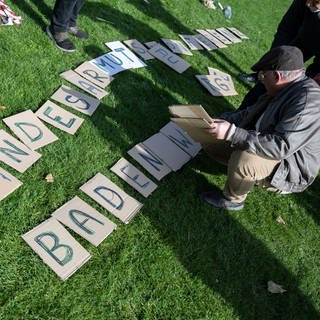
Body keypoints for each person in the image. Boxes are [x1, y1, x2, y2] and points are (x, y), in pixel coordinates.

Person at [199, 46, 320, 211]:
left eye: (263, 75)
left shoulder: (307, 102)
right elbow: (247, 114)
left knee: (245, 159)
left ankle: (233, 200)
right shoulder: (284, 88)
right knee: (210, 141)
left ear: (277, 76)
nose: (261, 79)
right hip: (267, 142)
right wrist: (216, 122)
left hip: (289, 167)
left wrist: (232, 133)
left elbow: (281, 146)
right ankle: (244, 173)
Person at [239, 0, 320, 109]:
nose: (308, 5)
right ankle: (242, 114)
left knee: (303, 92)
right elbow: (287, 27)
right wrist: (275, 61)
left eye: (315, 3)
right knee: (270, 76)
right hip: (304, 37)